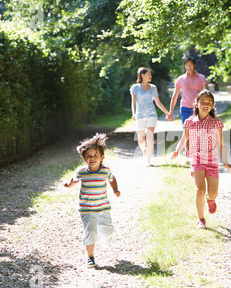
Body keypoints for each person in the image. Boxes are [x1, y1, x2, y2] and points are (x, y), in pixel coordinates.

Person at [171, 90, 231, 229]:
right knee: (200, 190)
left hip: (211, 162)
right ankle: (201, 219)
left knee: (213, 193)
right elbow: (184, 138)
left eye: (209, 103)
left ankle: (211, 200)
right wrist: (176, 151)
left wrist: (225, 161)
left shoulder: (216, 123)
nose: (205, 105)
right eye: (202, 102)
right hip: (196, 160)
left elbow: (221, 143)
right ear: (197, 104)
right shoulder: (190, 122)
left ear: (212, 105)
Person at [64, 133, 121, 268]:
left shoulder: (105, 171)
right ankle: (90, 257)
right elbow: (74, 179)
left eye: (95, 155)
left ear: (102, 157)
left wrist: (115, 190)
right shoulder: (82, 172)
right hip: (86, 208)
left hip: (103, 208)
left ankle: (101, 230)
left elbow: (112, 179)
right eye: (88, 156)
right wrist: (69, 184)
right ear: (84, 159)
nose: (92, 158)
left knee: (107, 232)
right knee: (90, 231)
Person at [130, 67, 170, 166]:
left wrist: (167, 113)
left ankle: (148, 160)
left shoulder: (153, 87)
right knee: (141, 140)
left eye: (151, 74)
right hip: (140, 115)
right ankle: (144, 152)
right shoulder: (135, 88)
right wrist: (134, 113)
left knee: (150, 136)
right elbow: (133, 103)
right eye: (149, 74)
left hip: (151, 114)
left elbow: (158, 102)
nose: (150, 76)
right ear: (142, 75)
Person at [168, 57, 207, 154]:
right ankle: (189, 155)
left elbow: (206, 94)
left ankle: (198, 152)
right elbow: (174, 96)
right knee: (187, 132)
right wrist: (170, 112)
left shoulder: (201, 78)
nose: (188, 67)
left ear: (194, 65)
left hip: (198, 109)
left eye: (190, 65)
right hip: (185, 108)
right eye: (186, 65)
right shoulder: (181, 79)